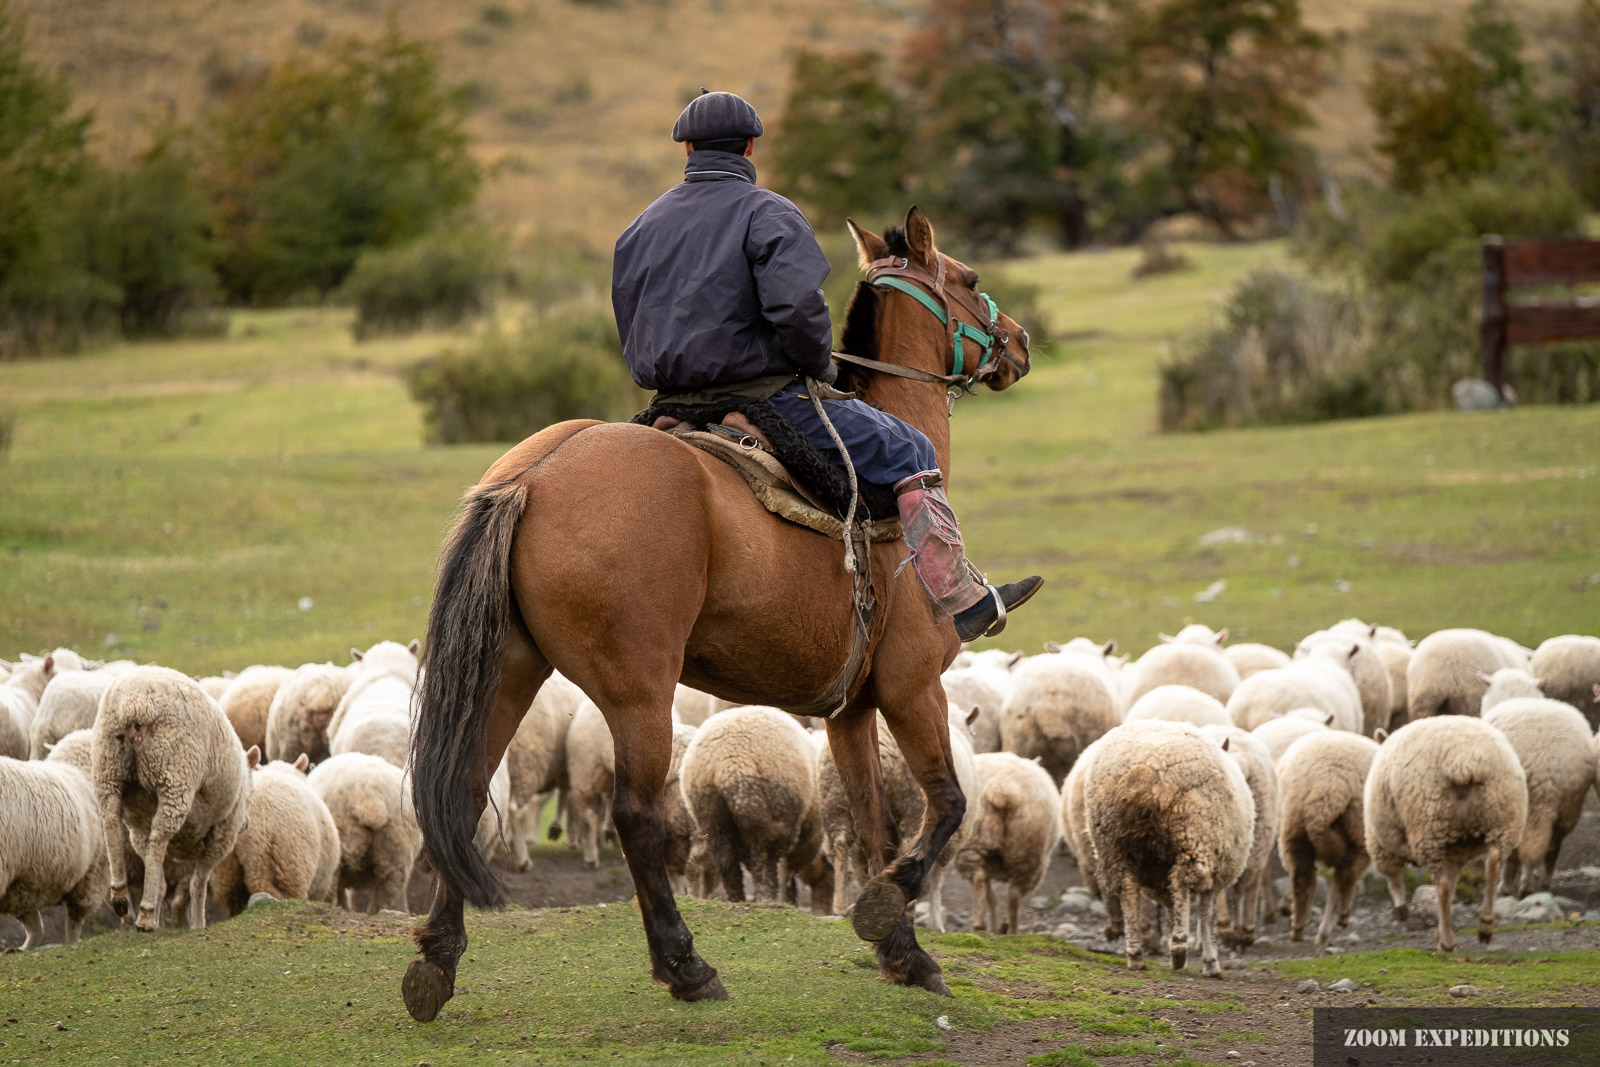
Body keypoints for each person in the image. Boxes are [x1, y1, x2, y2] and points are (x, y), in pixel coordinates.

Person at [611, 89, 1041, 641]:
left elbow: (629, 319)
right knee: (910, 447)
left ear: (688, 148)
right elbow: (796, 307)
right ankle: (962, 597)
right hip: (762, 396)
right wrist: (818, 367)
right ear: (749, 146)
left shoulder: (639, 227)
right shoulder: (766, 212)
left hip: (665, 404)